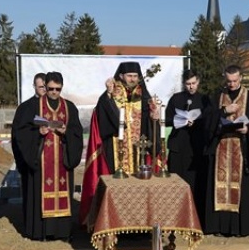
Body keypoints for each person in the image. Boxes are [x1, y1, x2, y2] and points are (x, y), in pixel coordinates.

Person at [78, 62, 160, 226]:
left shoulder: (143, 95)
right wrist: (108, 94)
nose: (133, 79)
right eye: (129, 76)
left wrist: (153, 116)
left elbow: (150, 123)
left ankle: (138, 226)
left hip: (139, 153)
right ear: (121, 76)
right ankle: (114, 224)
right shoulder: (111, 93)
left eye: (135, 76)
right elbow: (101, 117)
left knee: (139, 189)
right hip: (114, 151)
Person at [13, 72, 83, 240]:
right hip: (41, 162)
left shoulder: (69, 107)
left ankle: (62, 232)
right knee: (41, 194)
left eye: (57, 89)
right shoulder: (32, 106)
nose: (53, 92)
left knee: (63, 193)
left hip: (62, 161)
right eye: (50, 88)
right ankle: (42, 232)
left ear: (61, 88)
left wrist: (66, 131)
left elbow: (77, 132)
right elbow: (20, 132)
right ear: (45, 86)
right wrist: (38, 132)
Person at [203, 65, 249, 236]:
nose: (231, 84)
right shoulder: (217, 97)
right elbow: (207, 121)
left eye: (235, 81)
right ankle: (220, 227)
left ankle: (241, 228)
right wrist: (223, 111)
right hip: (221, 150)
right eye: (229, 81)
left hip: (242, 149)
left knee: (242, 190)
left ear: (240, 78)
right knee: (220, 187)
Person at [165, 69, 211, 220]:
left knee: (195, 182)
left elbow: (209, 120)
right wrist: (180, 120)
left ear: (198, 82)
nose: (191, 87)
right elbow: (167, 119)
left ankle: (195, 217)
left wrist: (197, 121)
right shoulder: (176, 99)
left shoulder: (205, 99)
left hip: (196, 147)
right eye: (188, 84)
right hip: (178, 145)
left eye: (193, 83)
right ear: (183, 84)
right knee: (176, 181)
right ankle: (176, 216)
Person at [11, 72, 46, 224]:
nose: (44, 89)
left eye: (46, 86)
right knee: (33, 196)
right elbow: (19, 134)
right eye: (41, 87)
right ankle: (34, 225)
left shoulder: (57, 106)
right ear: (34, 87)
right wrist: (37, 132)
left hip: (52, 161)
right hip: (33, 159)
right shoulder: (26, 108)